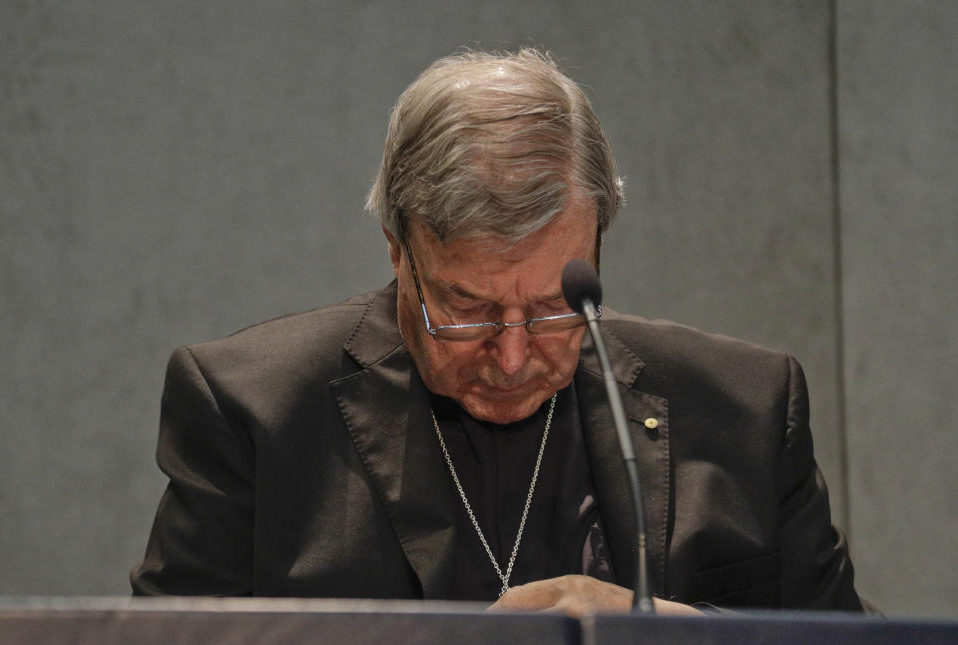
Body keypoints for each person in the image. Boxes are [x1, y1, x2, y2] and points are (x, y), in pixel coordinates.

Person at [130, 48, 865, 615]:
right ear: (398, 248)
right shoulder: (252, 409)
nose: (512, 355)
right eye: (468, 310)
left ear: (599, 243)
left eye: (551, 306)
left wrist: (674, 632)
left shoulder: (746, 409)